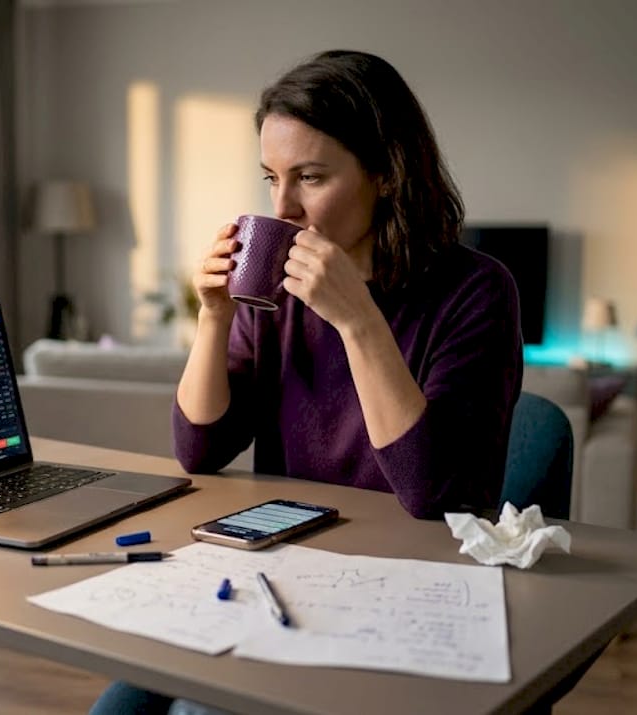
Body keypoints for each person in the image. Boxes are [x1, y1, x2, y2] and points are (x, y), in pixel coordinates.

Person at [90, 49, 522, 715]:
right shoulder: (277, 290)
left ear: (385, 173)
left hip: (404, 587)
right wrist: (213, 317)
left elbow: (434, 491)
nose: (283, 207)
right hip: (281, 567)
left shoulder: (477, 291)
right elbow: (200, 448)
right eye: (270, 178)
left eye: (311, 178)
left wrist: (358, 319)